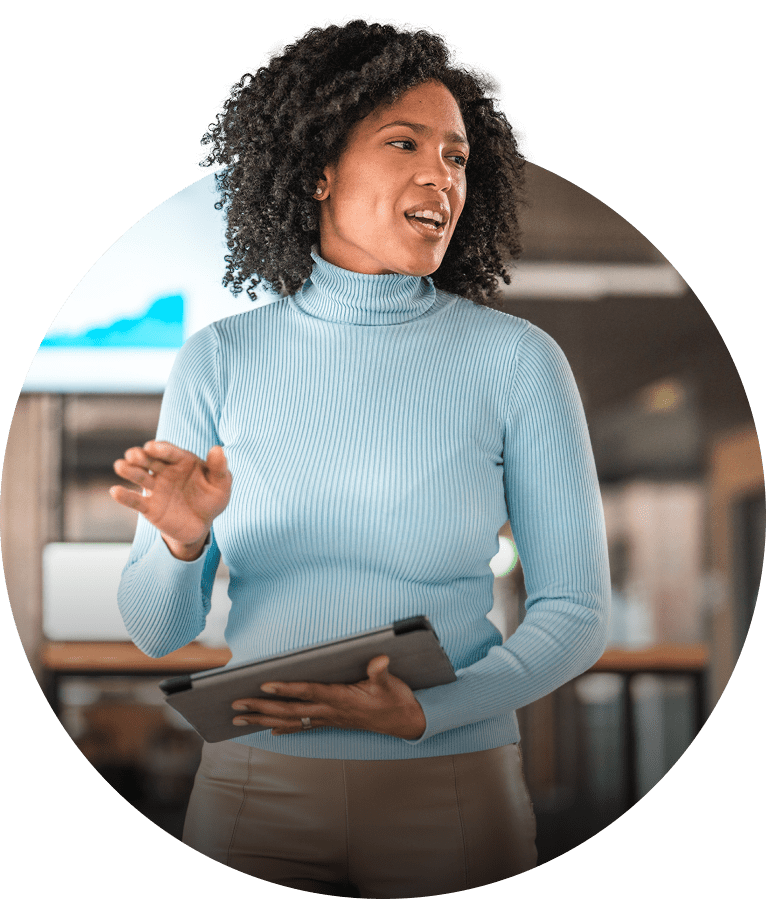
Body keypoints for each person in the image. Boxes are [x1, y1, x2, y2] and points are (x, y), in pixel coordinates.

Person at [110, 16, 611, 897]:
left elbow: (576, 611)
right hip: (253, 788)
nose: (440, 175)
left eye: (458, 156)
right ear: (317, 169)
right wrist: (182, 541)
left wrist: (429, 712)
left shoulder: (517, 360)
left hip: (453, 791)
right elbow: (160, 630)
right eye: (405, 143)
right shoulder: (219, 358)